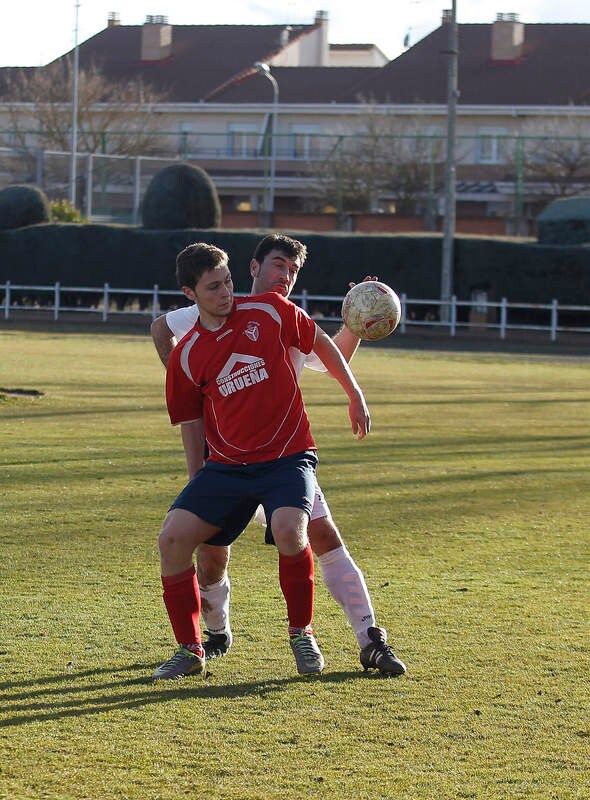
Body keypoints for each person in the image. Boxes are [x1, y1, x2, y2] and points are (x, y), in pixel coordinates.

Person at [152, 234, 407, 677]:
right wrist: (197, 389)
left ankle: (363, 639)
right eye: (277, 266)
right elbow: (163, 336)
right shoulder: (199, 324)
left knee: (307, 534)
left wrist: (357, 320)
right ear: (255, 267)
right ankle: (209, 637)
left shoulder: (275, 314)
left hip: (285, 457)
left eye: (293, 270)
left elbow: (325, 351)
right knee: (206, 554)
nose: (284, 276)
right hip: (228, 460)